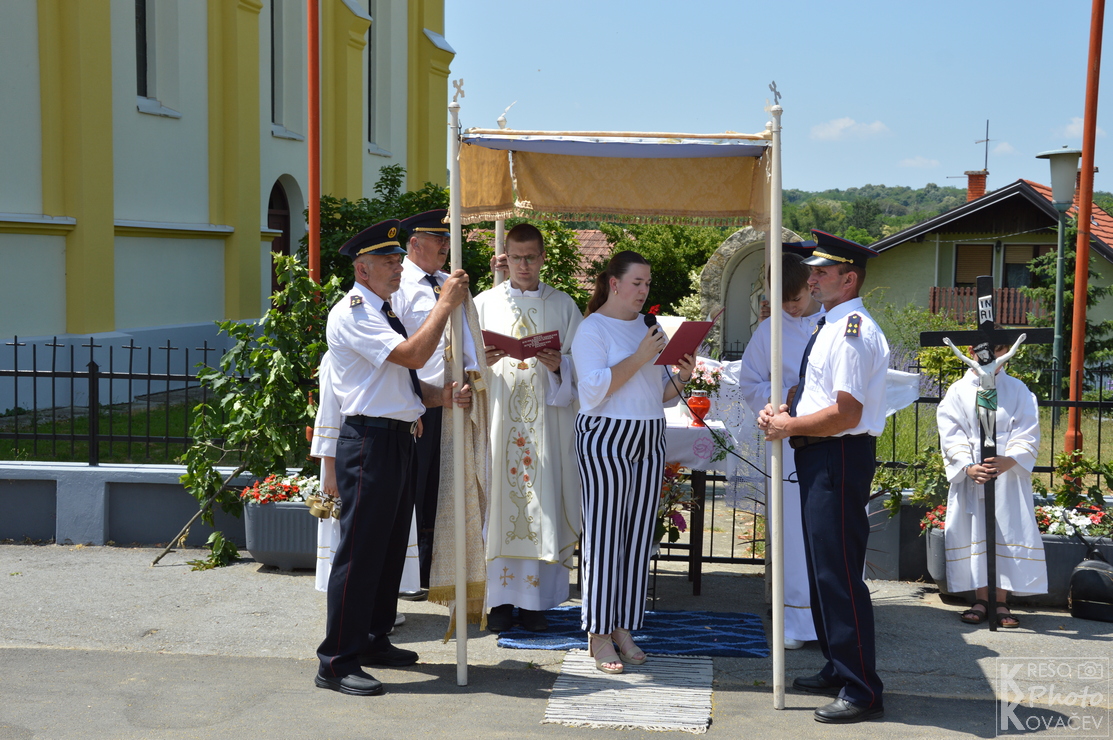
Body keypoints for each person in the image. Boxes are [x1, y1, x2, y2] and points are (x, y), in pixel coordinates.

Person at [315, 219, 471, 697]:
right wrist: (445, 305)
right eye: (387, 261)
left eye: (398, 260)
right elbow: (411, 356)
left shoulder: (383, 311)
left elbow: (401, 384)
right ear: (362, 269)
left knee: (386, 549)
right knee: (360, 552)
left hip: (398, 437)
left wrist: (441, 398)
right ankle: (336, 661)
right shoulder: (356, 312)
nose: (398, 268)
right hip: (369, 442)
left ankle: (373, 638)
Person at [758, 230, 888, 724]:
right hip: (822, 454)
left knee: (838, 574)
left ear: (848, 279)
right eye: (812, 272)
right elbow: (815, 392)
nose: (811, 279)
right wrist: (785, 410)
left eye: (822, 272)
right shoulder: (830, 324)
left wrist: (788, 426)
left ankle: (862, 689)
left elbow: (846, 412)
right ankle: (839, 665)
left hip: (838, 454)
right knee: (821, 569)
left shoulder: (852, 328)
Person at [571, 250, 695, 674]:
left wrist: (683, 375)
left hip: (648, 433)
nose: (644, 290)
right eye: (637, 283)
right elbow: (593, 391)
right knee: (604, 537)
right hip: (605, 436)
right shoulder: (592, 328)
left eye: (647, 283)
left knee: (639, 537)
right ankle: (598, 633)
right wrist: (642, 356)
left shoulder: (649, 328)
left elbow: (659, 393)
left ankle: (624, 627)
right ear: (614, 283)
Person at [475, 224, 583, 633]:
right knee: (499, 507)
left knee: (543, 505)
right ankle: (499, 602)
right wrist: (481, 362)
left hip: (547, 431)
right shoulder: (483, 304)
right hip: (498, 427)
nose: (523, 265)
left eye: (531, 257)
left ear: (542, 258)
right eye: (516, 257)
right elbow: (460, 366)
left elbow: (582, 368)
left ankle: (536, 605)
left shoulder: (563, 305)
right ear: (505, 258)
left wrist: (560, 367)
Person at [392, 209, 485, 592]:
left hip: (453, 401)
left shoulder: (451, 282)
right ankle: (409, 573)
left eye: (448, 239)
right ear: (414, 243)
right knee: (413, 488)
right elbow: (399, 352)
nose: (446, 245)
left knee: (443, 488)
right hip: (417, 400)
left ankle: (437, 568)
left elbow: (469, 338)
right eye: (438, 239)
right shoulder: (398, 286)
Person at [736, 250, 824, 650]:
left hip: (830, 437)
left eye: (797, 298)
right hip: (788, 442)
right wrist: (780, 399)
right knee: (791, 531)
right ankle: (796, 620)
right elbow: (750, 383)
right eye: (782, 300)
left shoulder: (832, 323)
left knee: (828, 530)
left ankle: (832, 619)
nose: (791, 307)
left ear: (811, 285)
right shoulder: (768, 332)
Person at [938, 340, 1045, 628]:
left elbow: (1028, 427)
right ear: (972, 352)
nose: (994, 361)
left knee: (1006, 532)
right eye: (988, 354)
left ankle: (1001, 601)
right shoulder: (958, 391)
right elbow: (950, 430)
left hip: (1006, 476)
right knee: (976, 532)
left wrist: (1011, 459)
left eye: (1000, 354)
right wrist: (967, 465)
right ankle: (981, 599)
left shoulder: (1018, 389)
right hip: (974, 474)